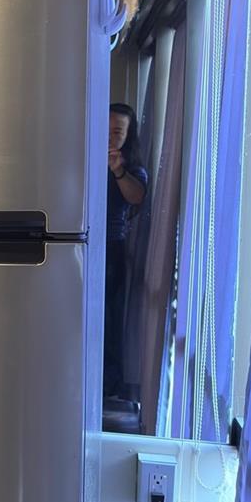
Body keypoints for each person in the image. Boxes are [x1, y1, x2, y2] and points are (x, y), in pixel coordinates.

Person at [105, 103, 148, 398]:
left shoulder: (132, 169)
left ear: (127, 136)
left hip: (111, 250)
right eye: (105, 129)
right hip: (76, 243)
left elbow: (136, 197)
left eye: (117, 131)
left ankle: (108, 386)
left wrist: (117, 170)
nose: (109, 137)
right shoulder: (81, 155)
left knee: (108, 318)